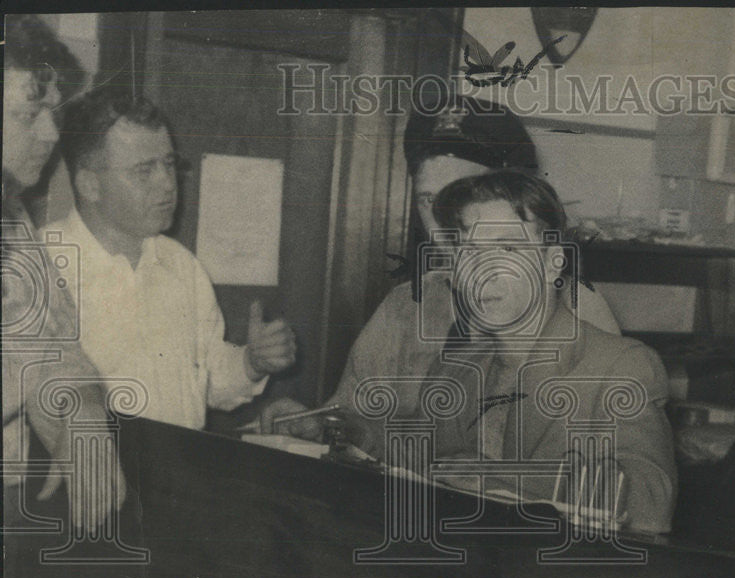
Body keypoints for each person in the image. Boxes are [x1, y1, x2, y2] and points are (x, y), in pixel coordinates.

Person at [260, 95, 619, 435]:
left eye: (457, 197)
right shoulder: (406, 306)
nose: (440, 220)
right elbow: (354, 414)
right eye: (427, 199)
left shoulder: (576, 309)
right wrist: (315, 423)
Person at [366, 171, 678, 535]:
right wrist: (348, 432)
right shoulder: (457, 367)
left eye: (509, 249)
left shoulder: (620, 366)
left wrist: (500, 477)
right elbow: (416, 451)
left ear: (552, 263)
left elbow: (648, 501)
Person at [50, 86, 296, 430]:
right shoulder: (38, 269)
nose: (168, 183)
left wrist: (251, 362)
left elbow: (206, 380)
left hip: (177, 474)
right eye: (144, 170)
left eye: (168, 164)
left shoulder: (183, 267)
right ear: (90, 185)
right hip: (83, 476)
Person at [2, 14, 124, 531]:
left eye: (53, 112)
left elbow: (55, 350)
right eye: (32, 114)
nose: (52, 134)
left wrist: (81, 411)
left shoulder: (12, 222)